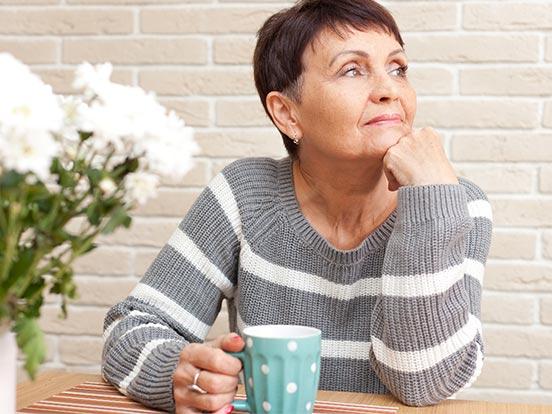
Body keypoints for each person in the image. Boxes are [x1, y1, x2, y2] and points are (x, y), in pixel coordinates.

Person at [101, 0, 493, 412]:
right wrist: (178, 374)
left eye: (398, 68)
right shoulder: (245, 196)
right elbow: (131, 328)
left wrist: (431, 201)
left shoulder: (456, 205)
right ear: (287, 114)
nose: (389, 90)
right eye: (352, 70)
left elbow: (424, 382)